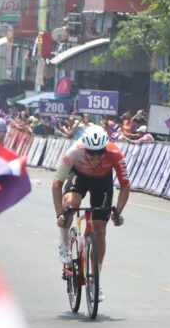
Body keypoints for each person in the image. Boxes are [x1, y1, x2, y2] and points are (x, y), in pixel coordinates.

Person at [52, 126, 129, 302]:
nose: (95, 158)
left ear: (106, 148)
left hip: (103, 181)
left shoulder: (115, 153)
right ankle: (64, 242)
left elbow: (125, 185)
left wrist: (117, 212)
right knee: (71, 204)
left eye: (99, 154)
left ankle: (96, 280)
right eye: (91, 154)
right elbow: (57, 184)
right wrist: (60, 216)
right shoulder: (74, 152)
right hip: (79, 176)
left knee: (100, 229)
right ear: (84, 148)